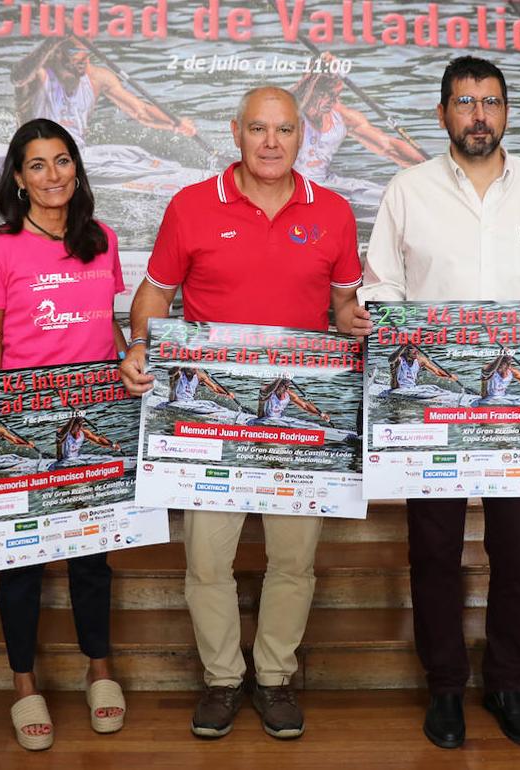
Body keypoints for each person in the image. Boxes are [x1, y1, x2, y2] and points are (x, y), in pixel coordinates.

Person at [359, 56, 520, 751]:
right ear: (443, 113)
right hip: (435, 411)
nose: (480, 115)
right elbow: (380, 288)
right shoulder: (406, 190)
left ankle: (508, 682)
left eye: (492, 102)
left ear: (506, 113)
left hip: (519, 417)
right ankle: (444, 687)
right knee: (434, 548)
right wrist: (384, 323)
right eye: (466, 102)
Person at [119, 85, 365, 740]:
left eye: (284, 130)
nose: (271, 142)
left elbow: (342, 308)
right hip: (211, 422)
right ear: (235, 132)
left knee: (293, 560)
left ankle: (275, 678)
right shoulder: (193, 206)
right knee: (206, 560)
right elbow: (152, 296)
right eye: (258, 128)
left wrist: (358, 321)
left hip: (298, 425)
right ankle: (224, 679)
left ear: (301, 137)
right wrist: (142, 346)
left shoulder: (334, 212)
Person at [0, 117, 130, 750]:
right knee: (21, 564)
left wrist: (128, 371)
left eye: (62, 161)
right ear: (18, 178)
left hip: (92, 415)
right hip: (24, 421)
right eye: (37, 164)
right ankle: (24, 683)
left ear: (77, 170)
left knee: (92, 557)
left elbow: (107, 327)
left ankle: (99, 668)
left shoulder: (103, 239)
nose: (52, 175)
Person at [12, 37, 195, 149]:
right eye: (76, 51)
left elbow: (141, 111)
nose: (84, 58)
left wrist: (174, 124)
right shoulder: (40, 75)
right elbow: (18, 78)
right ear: (58, 53)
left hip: (74, 152)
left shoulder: (98, 78)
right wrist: (52, 40)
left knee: (135, 154)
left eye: (87, 52)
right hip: (33, 149)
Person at [292, 56, 426, 205]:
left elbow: (389, 147)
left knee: (394, 195)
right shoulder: (289, 112)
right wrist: (318, 65)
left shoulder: (342, 116)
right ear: (312, 89)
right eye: (328, 95)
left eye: (336, 95)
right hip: (295, 189)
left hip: (327, 182)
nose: (333, 101)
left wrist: (428, 166)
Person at [256, 378, 328, 422]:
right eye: (285, 386)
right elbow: (265, 391)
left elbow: (305, 406)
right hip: (263, 420)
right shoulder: (267, 392)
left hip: (279, 420)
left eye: (288, 385)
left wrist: (320, 414)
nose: (287, 388)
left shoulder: (289, 394)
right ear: (278, 384)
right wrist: (280, 377)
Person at [169, 366, 233, 404]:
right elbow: (171, 373)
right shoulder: (178, 373)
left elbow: (215, 388)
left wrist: (227, 393)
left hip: (190, 402)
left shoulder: (200, 376)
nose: (190, 369)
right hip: (175, 402)